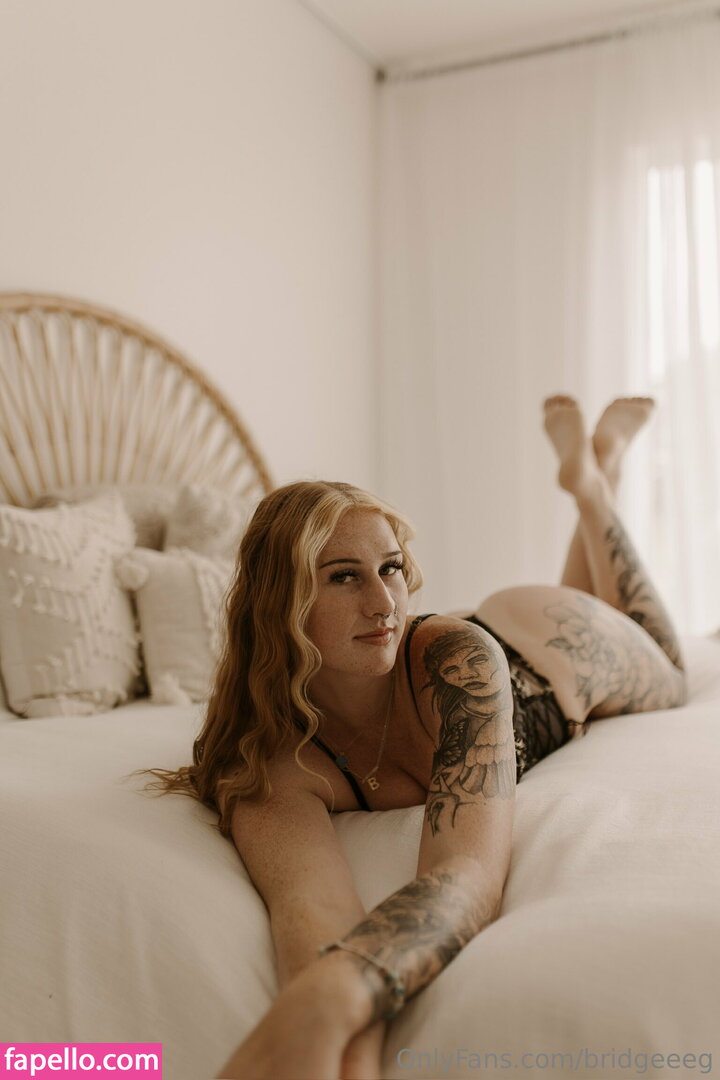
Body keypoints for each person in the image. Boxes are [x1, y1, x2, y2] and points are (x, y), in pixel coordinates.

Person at [145, 396, 686, 1080]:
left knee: (670, 667)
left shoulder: (458, 658)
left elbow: (466, 875)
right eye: (345, 576)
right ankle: (593, 470)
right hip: (469, 663)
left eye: (391, 567)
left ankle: (593, 486)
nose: (384, 604)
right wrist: (337, 1033)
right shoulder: (272, 756)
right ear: (281, 601)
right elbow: (313, 912)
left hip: (544, 650)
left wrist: (335, 996)